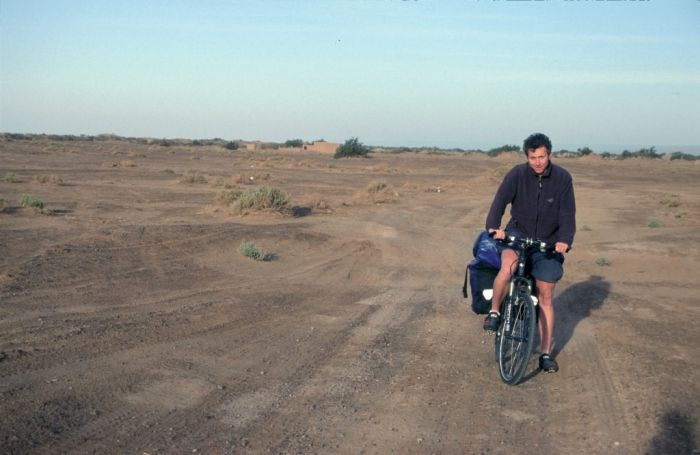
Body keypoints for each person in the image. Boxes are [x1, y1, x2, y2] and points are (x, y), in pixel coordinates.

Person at [482, 133, 576, 373]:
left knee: (546, 296)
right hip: (518, 234)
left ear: (549, 155)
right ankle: (494, 312)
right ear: (527, 157)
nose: (537, 162)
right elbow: (499, 202)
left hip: (548, 242)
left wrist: (564, 240)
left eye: (542, 156)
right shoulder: (517, 174)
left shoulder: (563, 178)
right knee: (509, 266)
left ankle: (545, 354)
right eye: (533, 157)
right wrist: (494, 227)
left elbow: (567, 214)